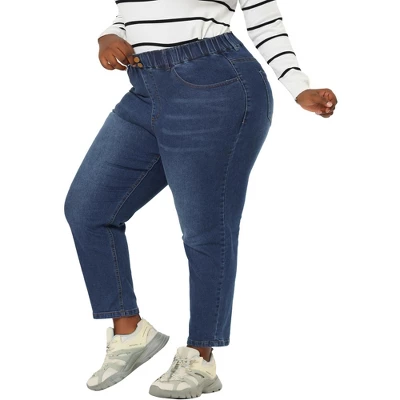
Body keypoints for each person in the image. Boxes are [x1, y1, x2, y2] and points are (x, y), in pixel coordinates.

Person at [64, 0, 338, 398]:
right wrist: (110, 35)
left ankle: (201, 357)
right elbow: (138, 13)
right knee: (88, 209)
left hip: (215, 88)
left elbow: (264, 18)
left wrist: (298, 85)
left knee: (205, 229)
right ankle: (130, 331)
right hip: (145, 88)